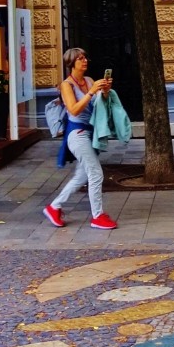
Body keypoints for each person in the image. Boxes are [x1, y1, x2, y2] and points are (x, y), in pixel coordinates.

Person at [42, 48, 118, 230]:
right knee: (96, 174)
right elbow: (74, 110)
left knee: (81, 176)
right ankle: (97, 216)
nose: (85, 61)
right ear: (71, 63)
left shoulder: (89, 80)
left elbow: (99, 104)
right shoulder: (67, 85)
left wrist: (105, 91)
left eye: (85, 58)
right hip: (77, 135)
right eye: (80, 59)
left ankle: (54, 207)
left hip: (90, 133)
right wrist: (91, 92)